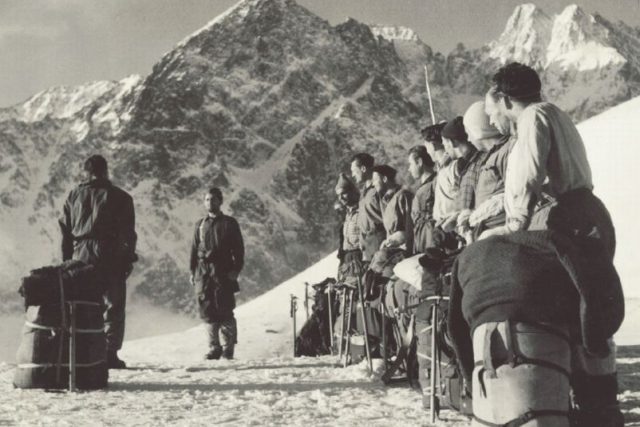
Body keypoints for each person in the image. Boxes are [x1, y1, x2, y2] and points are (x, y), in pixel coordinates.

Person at [483, 62, 622, 426]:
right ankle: (597, 402)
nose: (492, 118)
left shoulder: (531, 118)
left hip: (567, 219)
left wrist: (515, 226)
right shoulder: (554, 112)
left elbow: (527, 173)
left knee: (562, 310)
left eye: (491, 108)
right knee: (587, 307)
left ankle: (563, 398)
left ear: (503, 98)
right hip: (590, 213)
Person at [59, 154, 137, 369]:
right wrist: (128, 259)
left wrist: (67, 262)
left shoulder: (73, 196)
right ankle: (109, 353)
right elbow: (128, 233)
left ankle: (84, 351)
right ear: (105, 171)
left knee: (84, 303)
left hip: (79, 253)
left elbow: (65, 232)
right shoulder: (120, 197)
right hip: (109, 253)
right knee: (113, 304)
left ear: (85, 172)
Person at [190, 187, 244, 360]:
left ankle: (228, 349)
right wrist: (192, 272)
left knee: (226, 308)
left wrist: (236, 270)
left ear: (220, 201)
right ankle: (214, 348)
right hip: (203, 273)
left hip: (223, 272)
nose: (209, 202)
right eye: (207, 199)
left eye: (213, 199)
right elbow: (193, 249)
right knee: (207, 309)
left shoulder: (229, 223)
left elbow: (239, 249)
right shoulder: (200, 224)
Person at [457, 100, 514, 241]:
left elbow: (514, 194)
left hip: (500, 233)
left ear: (479, 131)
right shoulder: (491, 155)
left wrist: (479, 216)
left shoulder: (506, 150)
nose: (469, 139)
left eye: (469, 132)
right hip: (487, 232)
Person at [350, 153, 385, 263]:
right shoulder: (363, 193)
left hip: (380, 240)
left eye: (354, 171)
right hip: (368, 244)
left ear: (363, 168)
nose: (352, 175)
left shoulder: (379, 188)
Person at [407, 145, 437, 254]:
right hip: (422, 237)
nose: (409, 169)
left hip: (431, 237)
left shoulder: (436, 182)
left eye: (410, 164)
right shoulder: (423, 187)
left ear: (419, 162)